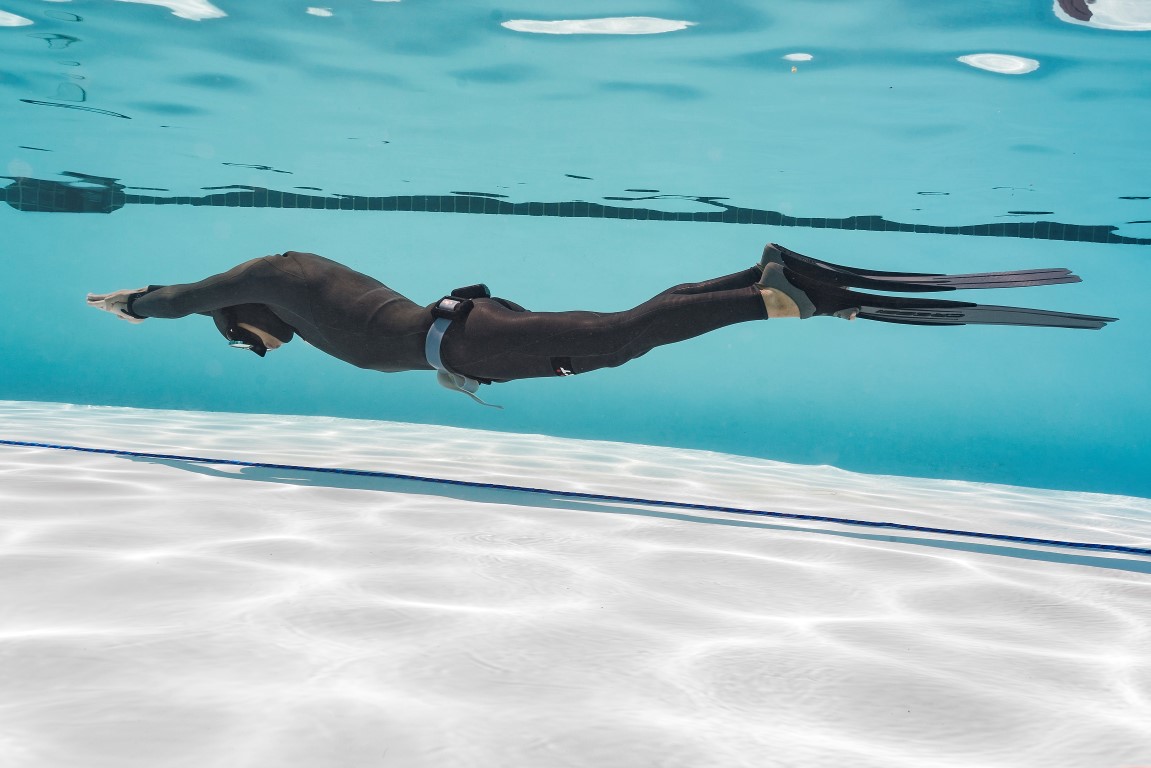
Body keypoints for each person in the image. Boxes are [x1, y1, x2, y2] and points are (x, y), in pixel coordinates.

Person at [87, 244, 1115, 406]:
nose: (265, 346)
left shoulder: (277, 281)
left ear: (249, 316)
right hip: (462, 327)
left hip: (463, 332)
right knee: (616, 335)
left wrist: (136, 305)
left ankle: (788, 292)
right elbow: (390, 331)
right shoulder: (309, 292)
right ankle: (765, 277)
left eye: (251, 338)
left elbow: (186, 298)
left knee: (623, 335)